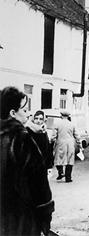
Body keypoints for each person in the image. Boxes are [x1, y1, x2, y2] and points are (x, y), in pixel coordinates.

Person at [0, 86, 54, 235]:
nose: (28, 113)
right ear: (13, 113)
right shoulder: (21, 140)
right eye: (24, 110)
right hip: (21, 220)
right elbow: (39, 184)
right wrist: (45, 217)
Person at [52, 110, 81, 182]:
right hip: (70, 143)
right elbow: (77, 136)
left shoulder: (57, 124)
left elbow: (53, 136)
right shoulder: (72, 124)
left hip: (60, 143)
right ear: (68, 116)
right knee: (69, 160)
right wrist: (79, 144)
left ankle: (61, 172)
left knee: (58, 159)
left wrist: (52, 141)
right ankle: (68, 178)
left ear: (61, 115)